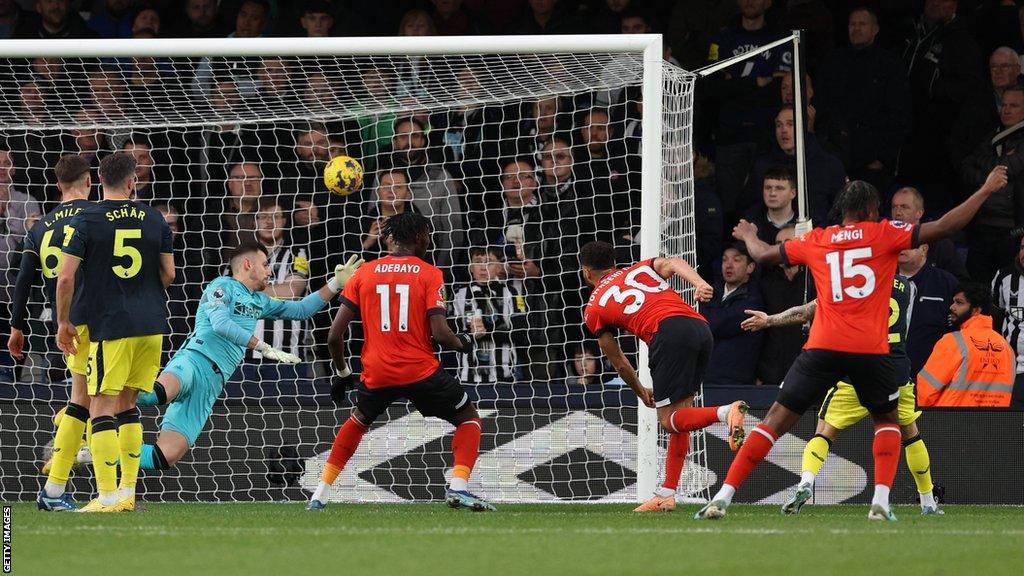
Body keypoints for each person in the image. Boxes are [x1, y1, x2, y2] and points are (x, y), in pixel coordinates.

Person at [702, 166, 1009, 521]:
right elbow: (945, 227)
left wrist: (750, 235)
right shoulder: (885, 233)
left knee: (774, 422)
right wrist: (985, 189)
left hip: (823, 347)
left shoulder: (819, 238)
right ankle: (880, 500)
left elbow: (764, 255)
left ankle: (724, 495)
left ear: (843, 210)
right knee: (888, 421)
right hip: (871, 351)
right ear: (872, 211)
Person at [104, 245, 362, 474]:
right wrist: (261, 346)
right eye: (265, 265)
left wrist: (335, 284)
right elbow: (220, 324)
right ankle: (95, 415)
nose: (269, 272)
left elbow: (301, 309)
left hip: (211, 385)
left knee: (166, 456)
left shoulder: (259, 301)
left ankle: (100, 452)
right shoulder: (221, 286)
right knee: (160, 393)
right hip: (194, 360)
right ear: (248, 264)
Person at [307, 212, 494, 512]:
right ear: (420, 238)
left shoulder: (363, 274)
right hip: (419, 370)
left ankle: (320, 493)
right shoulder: (430, 273)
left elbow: (333, 336)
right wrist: (465, 343)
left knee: (358, 421)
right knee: (468, 417)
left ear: (390, 238)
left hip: (377, 371)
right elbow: (441, 334)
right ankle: (458, 487)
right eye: (428, 236)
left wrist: (342, 373)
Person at [741, 275, 944, 516]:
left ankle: (805, 483)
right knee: (909, 433)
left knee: (825, 432)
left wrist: (770, 320)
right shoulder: (908, 287)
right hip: (895, 370)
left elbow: (805, 313)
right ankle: (928, 501)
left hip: (857, 371)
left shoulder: (853, 283)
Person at [579, 240, 747, 512]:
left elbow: (619, 362)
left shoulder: (593, 309)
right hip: (700, 329)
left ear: (586, 272)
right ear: (613, 264)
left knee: (669, 420)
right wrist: (699, 283)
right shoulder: (638, 269)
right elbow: (673, 262)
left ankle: (726, 412)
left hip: (667, 335)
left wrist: (641, 391)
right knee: (680, 418)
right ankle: (667, 493)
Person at [55, 152, 175, 513]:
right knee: (128, 406)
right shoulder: (155, 218)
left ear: (98, 182)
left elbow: (65, 277)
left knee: (101, 406)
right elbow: (169, 274)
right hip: (152, 326)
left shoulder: (87, 218)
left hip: (113, 325)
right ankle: (127, 492)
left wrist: (63, 322)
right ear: (131, 181)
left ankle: (106, 496)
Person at [6, 155, 91, 512]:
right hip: (98, 319)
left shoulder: (38, 227)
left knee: (91, 397)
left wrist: (16, 327)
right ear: (89, 182)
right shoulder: (96, 216)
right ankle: (60, 484)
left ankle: (62, 481)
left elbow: (22, 280)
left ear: (58, 185)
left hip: (63, 322)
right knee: (99, 400)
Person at [961, 85, 1024, 284]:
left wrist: (985, 165)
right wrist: (989, 177)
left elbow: (1008, 169)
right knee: (975, 287)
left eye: (1013, 105)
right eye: (1003, 104)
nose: (1006, 110)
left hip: (1013, 230)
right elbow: (965, 167)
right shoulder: (991, 136)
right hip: (981, 226)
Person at [918, 282, 1015, 407]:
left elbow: (927, 390)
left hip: (949, 422)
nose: (952, 307)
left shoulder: (953, 342)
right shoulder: (1007, 348)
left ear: (976, 310)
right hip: (993, 423)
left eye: (959, 303)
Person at [452, 247, 516, 383]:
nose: (483, 268)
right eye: (478, 261)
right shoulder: (459, 295)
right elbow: (451, 334)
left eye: (489, 262)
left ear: (499, 266)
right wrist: (469, 334)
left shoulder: (511, 293)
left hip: (504, 377)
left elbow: (522, 334)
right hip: (467, 377)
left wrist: (486, 331)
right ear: (470, 267)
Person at [703, 243, 763, 386]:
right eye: (725, 260)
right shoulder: (710, 291)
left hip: (735, 380)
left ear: (750, 267)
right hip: (704, 376)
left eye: (736, 260)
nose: (728, 265)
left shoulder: (753, 299)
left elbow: (715, 324)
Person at [897, 243, 958, 377]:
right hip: (883, 368)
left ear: (924, 249)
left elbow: (957, 328)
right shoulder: (879, 277)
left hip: (930, 372)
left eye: (908, 245)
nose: (901, 248)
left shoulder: (946, 282)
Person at [890, 186, 968, 281]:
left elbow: (961, 283)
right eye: (894, 207)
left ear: (919, 213)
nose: (897, 212)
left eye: (904, 207)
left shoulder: (941, 244)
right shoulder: (884, 240)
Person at [991, 234, 1024, 408]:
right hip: (1012, 369)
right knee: (1013, 427)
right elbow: (995, 315)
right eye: (1023, 248)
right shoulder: (1004, 276)